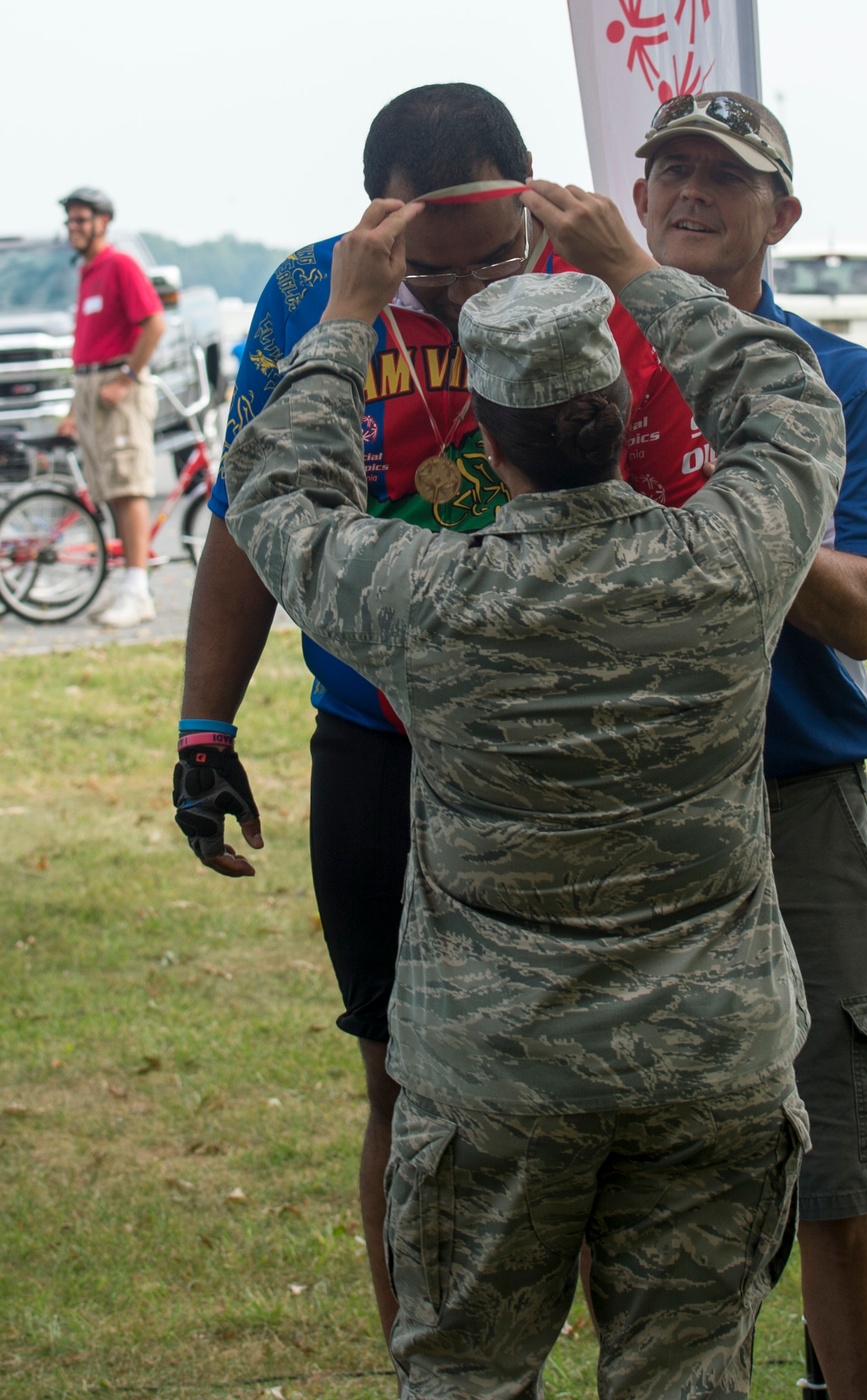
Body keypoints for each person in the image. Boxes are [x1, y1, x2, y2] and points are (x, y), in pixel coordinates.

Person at [221, 191, 845, 1398]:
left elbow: (275, 497)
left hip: (496, 1072)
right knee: (686, 1376)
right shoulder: (730, 553)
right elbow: (793, 407)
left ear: (488, 441)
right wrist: (645, 278)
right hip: (713, 1062)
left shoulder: (427, 593)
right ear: (618, 411)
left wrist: (350, 317)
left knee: (466, 1373)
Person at [172, 82, 706, 1341]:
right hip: (377, 731)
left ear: (531, 194)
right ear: (382, 226)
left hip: (562, 736)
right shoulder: (316, 292)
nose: (466, 296)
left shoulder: (597, 269)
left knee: (580, 1088)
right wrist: (205, 730)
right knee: (398, 1079)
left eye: (490, 262)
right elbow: (257, 515)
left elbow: (688, 498)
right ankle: (433, 1367)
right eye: (433, 273)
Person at [624, 91, 867, 1399]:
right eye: (671, 172)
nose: (692, 194)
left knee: (842, 1185)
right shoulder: (581, 369)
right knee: (663, 1203)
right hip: (631, 824)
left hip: (801, 809)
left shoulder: (842, 379)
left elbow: (861, 611)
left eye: (725, 178)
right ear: (636, 202)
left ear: (782, 217)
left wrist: (736, 496)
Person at [57, 187, 164, 628]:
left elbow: (154, 323)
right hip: (90, 389)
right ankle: (127, 586)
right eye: (70, 221)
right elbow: (87, 345)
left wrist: (128, 378)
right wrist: (72, 407)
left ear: (103, 222)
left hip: (116, 388)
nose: (73, 228)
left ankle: (138, 590)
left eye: (81, 220)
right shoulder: (87, 272)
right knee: (109, 491)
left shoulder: (120, 264)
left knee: (129, 487)